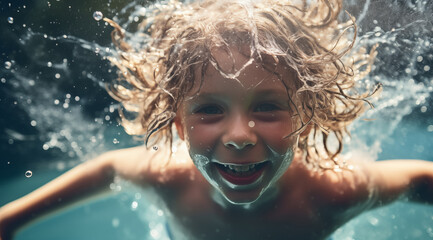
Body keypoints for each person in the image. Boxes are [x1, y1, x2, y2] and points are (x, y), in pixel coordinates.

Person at [1, 0, 432, 239]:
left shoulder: (332, 192)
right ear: (176, 122)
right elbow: (111, 167)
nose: (240, 135)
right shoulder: (168, 179)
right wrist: (13, 218)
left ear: (309, 115)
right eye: (209, 109)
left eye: (267, 107)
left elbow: (415, 179)